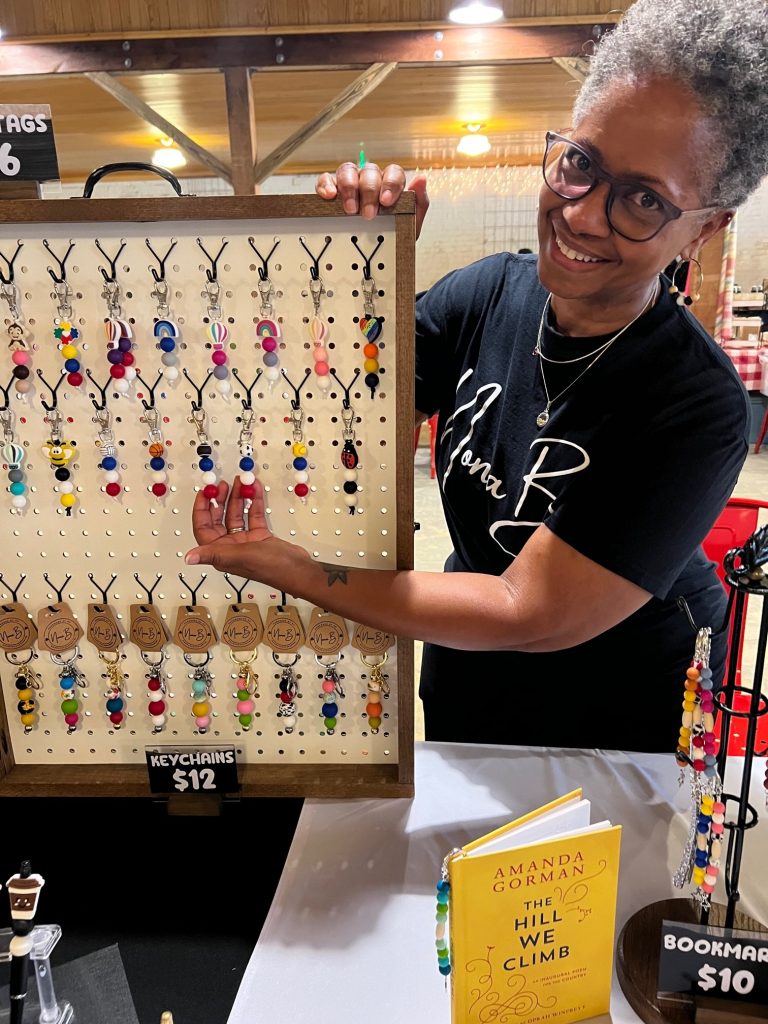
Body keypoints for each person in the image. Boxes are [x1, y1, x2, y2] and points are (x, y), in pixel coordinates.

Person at [187, 0, 768, 751]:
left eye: (644, 199)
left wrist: (304, 573)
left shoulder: (696, 403)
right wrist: (361, 260)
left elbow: (530, 609)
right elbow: (340, 414)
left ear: (706, 227)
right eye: (580, 165)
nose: (583, 216)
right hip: (467, 672)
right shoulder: (485, 294)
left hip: (620, 712)